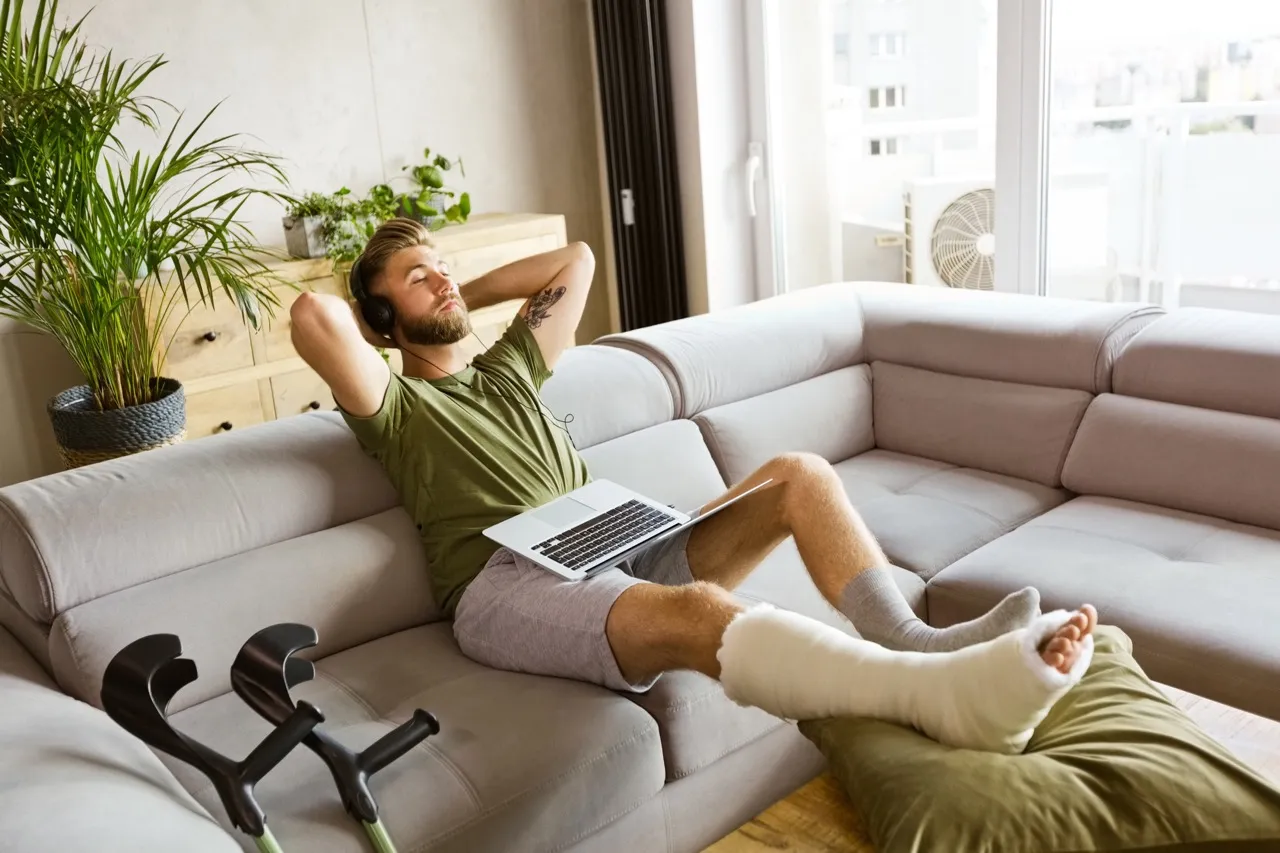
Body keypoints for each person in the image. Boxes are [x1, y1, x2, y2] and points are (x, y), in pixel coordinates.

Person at [290, 217, 1097, 754]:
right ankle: (932, 700)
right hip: (505, 582)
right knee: (704, 612)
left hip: (610, 539)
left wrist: (459, 281)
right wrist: (381, 318)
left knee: (801, 475)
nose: (439, 281)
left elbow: (576, 261)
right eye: (415, 277)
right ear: (381, 314)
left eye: (440, 268)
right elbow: (310, 317)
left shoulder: (506, 372)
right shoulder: (397, 406)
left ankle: (918, 645)